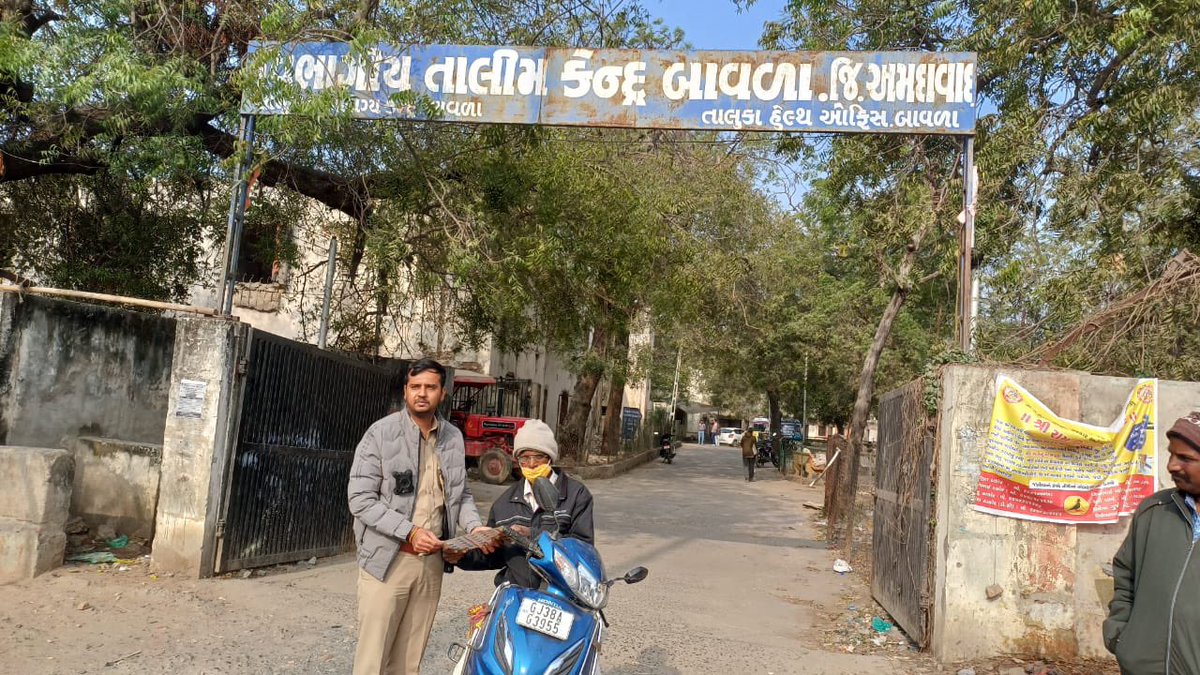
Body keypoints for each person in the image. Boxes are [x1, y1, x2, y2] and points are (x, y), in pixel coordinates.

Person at [348, 358, 495, 675]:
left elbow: (461, 494)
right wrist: (410, 532)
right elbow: (360, 499)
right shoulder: (380, 435)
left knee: (408, 662)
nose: (422, 394)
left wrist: (474, 525)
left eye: (430, 387)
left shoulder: (453, 438)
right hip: (388, 561)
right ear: (405, 391)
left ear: (443, 393)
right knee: (372, 661)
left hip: (431, 565)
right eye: (415, 387)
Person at [1105, 411, 1200, 673]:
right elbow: (1125, 577)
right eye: (1171, 454)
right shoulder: (1154, 510)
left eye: (1185, 458)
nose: (1171, 465)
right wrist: (1121, 636)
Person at [449, 419, 594, 588]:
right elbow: (493, 556)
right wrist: (460, 556)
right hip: (517, 593)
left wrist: (530, 534)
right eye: (525, 458)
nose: (532, 464)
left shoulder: (576, 495)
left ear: (550, 458)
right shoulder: (504, 504)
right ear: (517, 460)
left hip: (562, 592)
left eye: (538, 456)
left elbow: (583, 549)